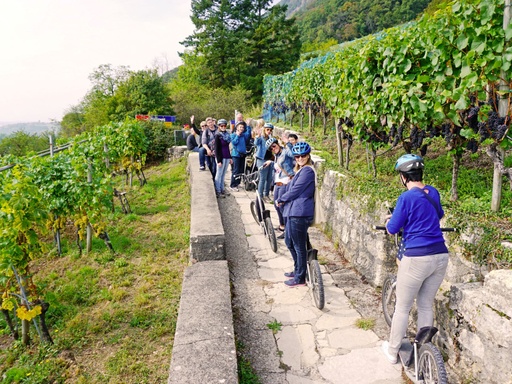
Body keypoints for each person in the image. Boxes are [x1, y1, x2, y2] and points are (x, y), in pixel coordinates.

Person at [381, 154, 449, 364]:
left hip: (417, 257)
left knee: (402, 306)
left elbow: (392, 228)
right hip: (440, 255)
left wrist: (389, 222)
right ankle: (423, 352)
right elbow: (438, 215)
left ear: (403, 177)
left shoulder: (406, 197)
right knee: (426, 304)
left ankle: (393, 352)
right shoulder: (433, 192)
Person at [276, 142, 316, 287]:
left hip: (300, 213)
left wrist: (281, 199)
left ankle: (300, 277)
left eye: (303, 155)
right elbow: (292, 186)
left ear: (308, 155)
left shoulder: (307, 171)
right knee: (289, 242)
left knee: (299, 246)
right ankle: (298, 269)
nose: (300, 158)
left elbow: (296, 190)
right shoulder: (300, 170)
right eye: (297, 156)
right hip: (293, 212)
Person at [263, 137, 295, 238]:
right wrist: (270, 162)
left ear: (277, 143)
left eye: (274, 146)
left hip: (285, 183)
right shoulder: (277, 155)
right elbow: (279, 165)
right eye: (270, 148)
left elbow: (294, 155)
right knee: (276, 206)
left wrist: (288, 144)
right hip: (277, 182)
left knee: (282, 206)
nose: (273, 148)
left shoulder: (285, 152)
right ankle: (282, 226)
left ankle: (287, 230)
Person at [254, 122, 275, 203]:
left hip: (269, 159)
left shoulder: (271, 137)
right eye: (267, 129)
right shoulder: (261, 137)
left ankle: (266, 194)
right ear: (264, 129)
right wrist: (257, 136)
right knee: (262, 178)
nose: (269, 131)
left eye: (270, 130)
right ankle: (260, 195)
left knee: (269, 178)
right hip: (261, 159)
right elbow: (256, 143)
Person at [229, 121, 252, 191]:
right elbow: (234, 142)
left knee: (241, 170)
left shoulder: (243, 135)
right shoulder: (233, 135)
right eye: (240, 127)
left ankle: (237, 183)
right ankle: (233, 185)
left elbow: (248, 134)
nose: (242, 128)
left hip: (243, 154)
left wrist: (248, 126)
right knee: (236, 170)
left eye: (242, 127)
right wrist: (237, 135)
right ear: (237, 128)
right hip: (236, 155)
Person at [214, 119, 232, 198]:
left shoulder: (227, 135)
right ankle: (218, 191)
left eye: (225, 126)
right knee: (219, 174)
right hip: (221, 157)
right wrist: (219, 160)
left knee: (223, 174)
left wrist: (230, 157)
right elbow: (216, 149)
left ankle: (222, 189)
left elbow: (228, 147)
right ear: (219, 126)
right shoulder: (218, 135)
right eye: (222, 126)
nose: (223, 127)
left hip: (227, 156)